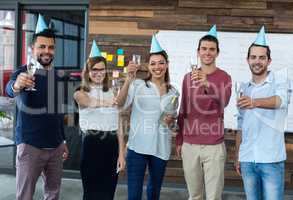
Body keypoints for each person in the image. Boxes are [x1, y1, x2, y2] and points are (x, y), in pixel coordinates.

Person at [5, 14, 69, 200]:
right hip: (30, 147)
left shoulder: (58, 77)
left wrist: (63, 141)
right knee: (25, 195)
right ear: (32, 48)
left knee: (53, 194)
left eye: (51, 47)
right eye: (42, 46)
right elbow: (10, 89)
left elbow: (58, 112)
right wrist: (17, 85)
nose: (47, 51)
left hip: (56, 147)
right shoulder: (22, 73)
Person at [116, 35, 179, 200]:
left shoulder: (174, 92)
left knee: (154, 192)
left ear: (167, 65)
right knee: (134, 194)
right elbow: (120, 104)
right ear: (148, 67)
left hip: (161, 147)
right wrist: (128, 80)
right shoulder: (137, 85)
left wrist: (172, 121)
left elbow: (172, 122)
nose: (157, 67)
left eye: (161, 63)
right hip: (137, 147)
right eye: (153, 63)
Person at [175, 25, 232, 200]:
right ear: (198, 52)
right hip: (190, 145)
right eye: (204, 49)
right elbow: (183, 109)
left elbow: (225, 101)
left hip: (214, 146)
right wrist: (179, 139)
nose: (207, 52)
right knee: (195, 196)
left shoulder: (224, 77)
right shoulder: (187, 77)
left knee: (214, 197)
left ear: (217, 53)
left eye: (211, 49)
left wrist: (207, 84)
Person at [235, 26, 291, 200]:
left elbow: (280, 101)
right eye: (253, 57)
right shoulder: (243, 88)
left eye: (261, 57)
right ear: (247, 60)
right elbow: (240, 125)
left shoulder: (280, 81)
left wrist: (254, 102)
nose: (257, 61)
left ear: (269, 60)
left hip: (271, 160)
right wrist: (237, 156)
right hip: (247, 160)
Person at [74, 40, 126, 200]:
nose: (98, 73)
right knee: (91, 193)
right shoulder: (80, 91)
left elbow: (118, 123)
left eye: (101, 69)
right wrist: (107, 103)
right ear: (87, 71)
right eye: (94, 69)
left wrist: (122, 153)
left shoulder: (111, 91)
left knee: (108, 193)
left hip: (111, 146)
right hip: (91, 144)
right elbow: (87, 102)